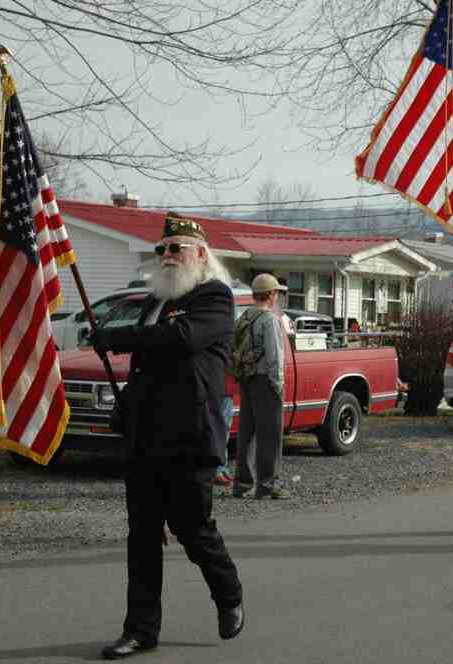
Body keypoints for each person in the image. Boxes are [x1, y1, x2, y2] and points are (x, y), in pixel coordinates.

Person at [91, 212, 244, 660]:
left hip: (189, 436)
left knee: (192, 529)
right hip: (144, 434)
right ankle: (140, 629)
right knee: (142, 536)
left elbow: (181, 339)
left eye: (176, 248)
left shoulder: (215, 297)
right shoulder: (153, 301)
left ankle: (229, 593)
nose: (168, 255)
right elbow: (148, 351)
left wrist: (118, 337)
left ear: (200, 254)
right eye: (162, 249)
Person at [232, 273, 291, 500]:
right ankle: (268, 484)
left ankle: (242, 482)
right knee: (270, 435)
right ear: (272, 294)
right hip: (266, 380)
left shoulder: (245, 315)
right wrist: (278, 385)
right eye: (277, 292)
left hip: (247, 378)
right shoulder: (269, 320)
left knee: (247, 431)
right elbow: (274, 355)